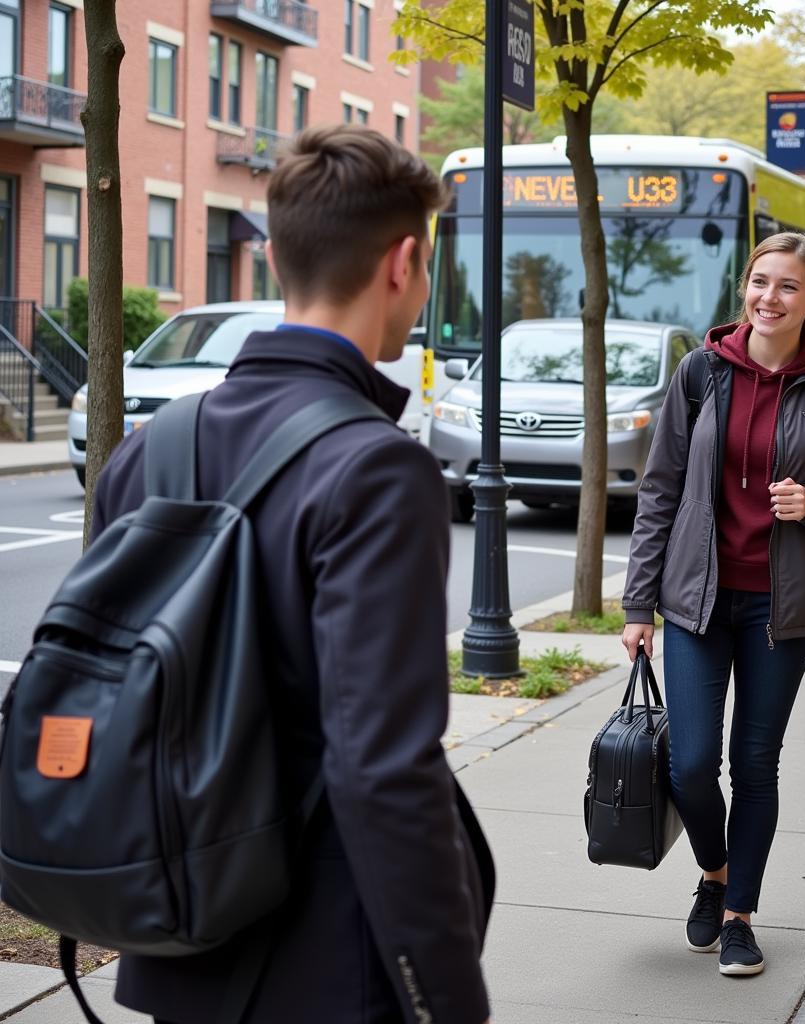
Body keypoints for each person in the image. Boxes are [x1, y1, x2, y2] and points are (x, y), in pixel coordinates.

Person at [90, 125, 493, 1024]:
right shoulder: (379, 470)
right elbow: (381, 768)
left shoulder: (151, 449)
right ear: (403, 264)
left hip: (177, 935)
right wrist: (447, 1001)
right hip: (324, 958)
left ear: (274, 256)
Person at [620, 232, 805, 977]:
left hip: (781, 608)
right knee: (692, 764)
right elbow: (660, 491)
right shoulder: (702, 373)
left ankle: (739, 915)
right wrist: (638, 604)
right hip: (697, 602)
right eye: (758, 281)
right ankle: (714, 871)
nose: (768, 297)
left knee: (754, 764)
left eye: (788, 286)